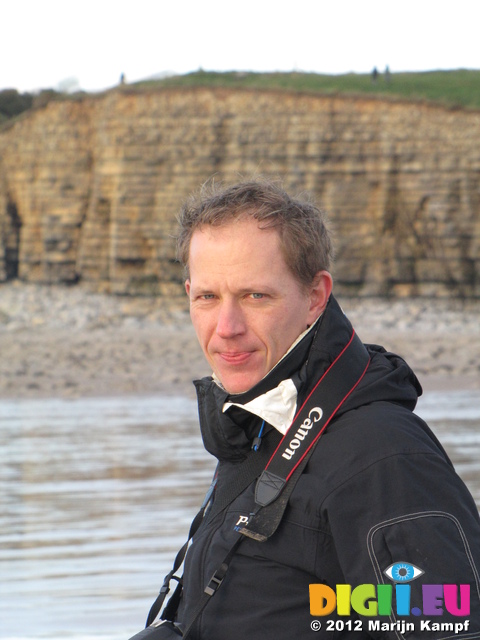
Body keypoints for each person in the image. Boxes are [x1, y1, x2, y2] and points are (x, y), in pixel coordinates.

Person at [166, 179, 480, 639]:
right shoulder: (258, 425)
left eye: (256, 296)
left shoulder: (382, 455)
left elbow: (448, 626)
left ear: (316, 296)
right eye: (207, 298)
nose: (226, 327)